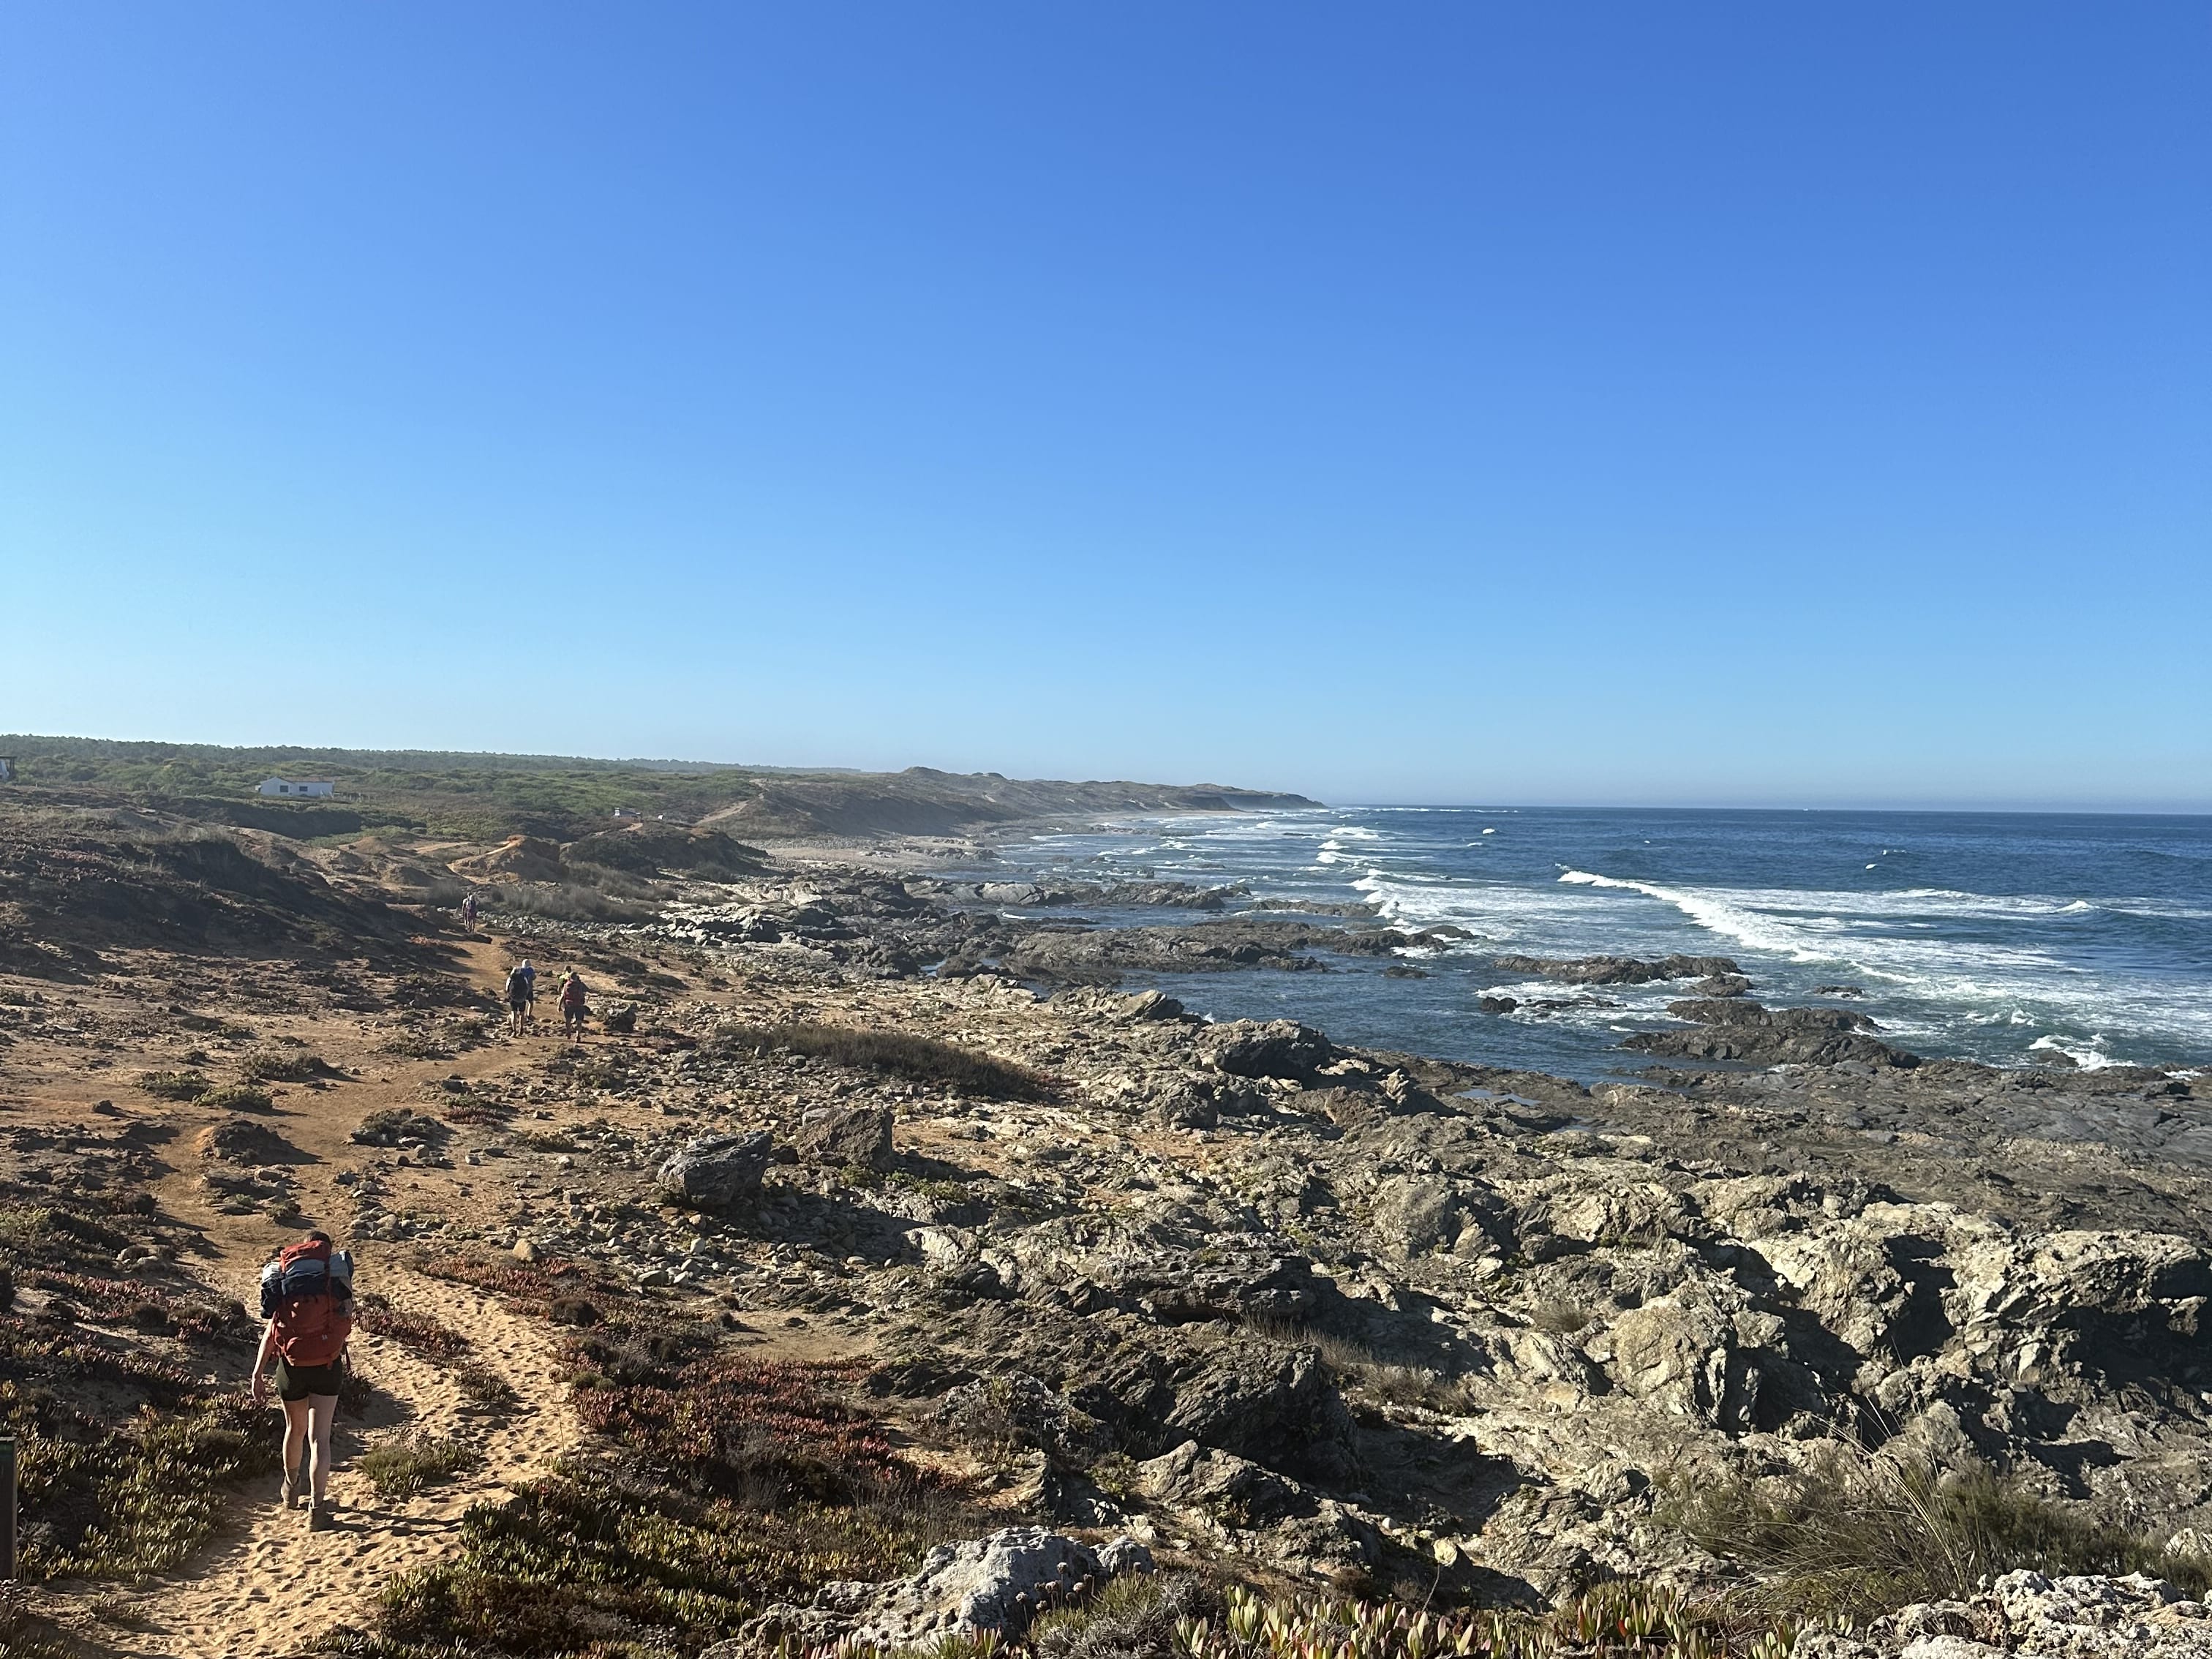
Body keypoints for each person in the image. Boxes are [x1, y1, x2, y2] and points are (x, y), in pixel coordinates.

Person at [251, 1231, 355, 1532]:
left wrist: (258, 1373)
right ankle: (317, 1510)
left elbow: (272, 1331)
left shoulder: (287, 1279)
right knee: (319, 1438)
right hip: (326, 1365)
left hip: (291, 1367)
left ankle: (290, 1487)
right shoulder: (332, 1279)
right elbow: (346, 1322)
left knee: (294, 1430)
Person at [504, 959, 535, 1036]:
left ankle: (514, 1031)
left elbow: (507, 989)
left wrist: (510, 995)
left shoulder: (510, 978)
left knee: (514, 1015)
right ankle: (521, 1029)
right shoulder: (523, 978)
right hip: (522, 998)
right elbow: (527, 986)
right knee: (522, 1014)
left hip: (513, 998)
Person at [558, 968, 589, 1040]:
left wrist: (559, 1006)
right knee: (579, 1021)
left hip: (568, 1005)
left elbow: (563, 996)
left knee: (568, 1020)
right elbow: (589, 990)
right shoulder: (580, 985)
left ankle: (568, 1032)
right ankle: (578, 1036)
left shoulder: (566, 984)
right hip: (579, 1005)